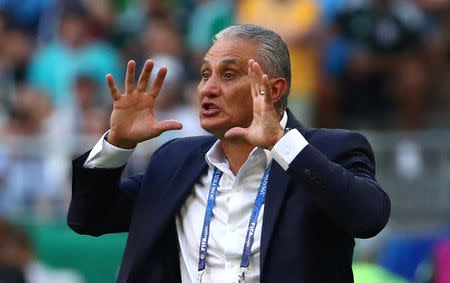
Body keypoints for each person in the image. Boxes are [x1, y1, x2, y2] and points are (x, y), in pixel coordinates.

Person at [68, 24, 391, 283]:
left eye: (228, 74)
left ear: (273, 90)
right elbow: (89, 218)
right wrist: (117, 143)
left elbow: (368, 217)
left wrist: (283, 144)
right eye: (205, 74)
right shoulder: (174, 160)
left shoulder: (330, 150)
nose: (207, 88)